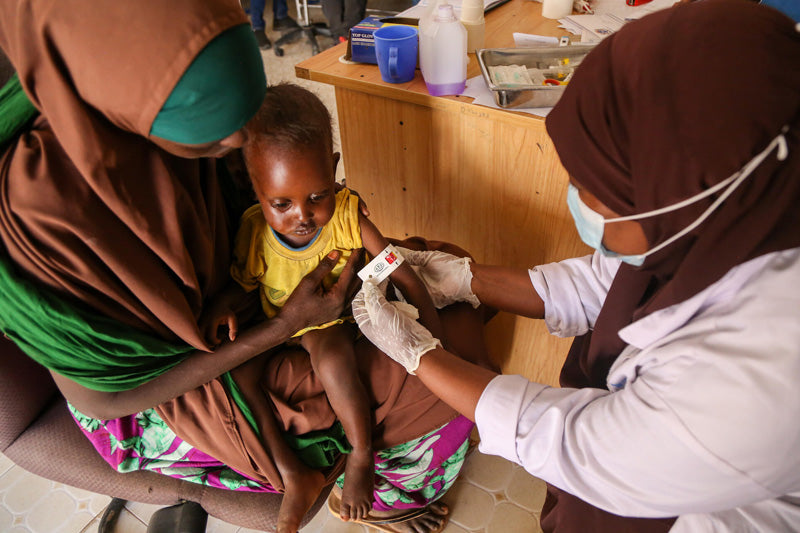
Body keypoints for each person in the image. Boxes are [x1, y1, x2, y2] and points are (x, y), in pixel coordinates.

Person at [0, 2, 492, 533]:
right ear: (139, 116)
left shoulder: (234, 154)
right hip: (171, 383)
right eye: (215, 136)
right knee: (421, 380)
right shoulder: (43, 211)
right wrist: (281, 325)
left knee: (449, 282)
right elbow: (105, 399)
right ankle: (383, 495)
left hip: (250, 311)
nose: (237, 145)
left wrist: (253, 298)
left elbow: (291, 228)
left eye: (243, 119)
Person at [352, 1, 800, 532]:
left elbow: (567, 441)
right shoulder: (738, 215)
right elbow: (608, 282)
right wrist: (467, 278)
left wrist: (416, 353)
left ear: (676, 201)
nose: (578, 201)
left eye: (595, 193)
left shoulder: (762, 381)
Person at [200, 83, 445, 524]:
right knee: (239, 374)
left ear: (332, 171)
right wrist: (226, 304)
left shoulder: (348, 216)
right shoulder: (253, 230)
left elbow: (395, 267)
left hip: (323, 326)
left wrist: (431, 323)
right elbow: (246, 281)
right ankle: (295, 474)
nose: (303, 215)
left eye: (317, 195)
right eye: (282, 203)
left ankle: (362, 452)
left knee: (333, 357)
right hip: (277, 323)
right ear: (256, 190)